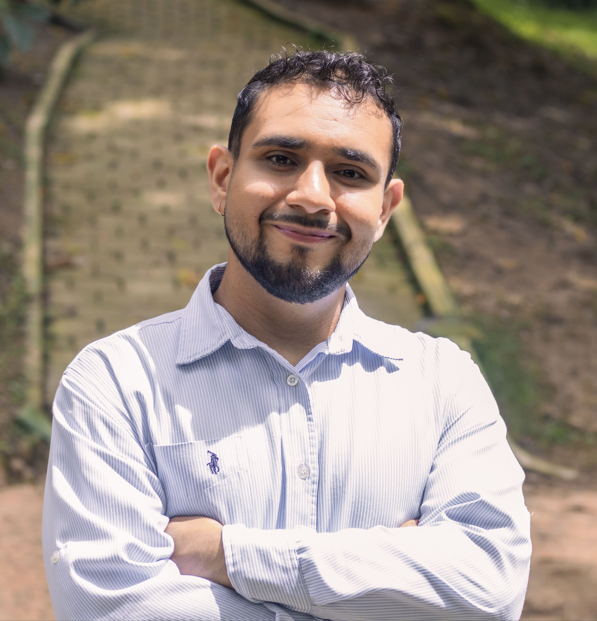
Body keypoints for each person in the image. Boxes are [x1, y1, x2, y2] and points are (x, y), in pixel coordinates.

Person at [43, 50, 531, 621]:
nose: (312, 197)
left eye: (350, 173)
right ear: (222, 179)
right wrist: (389, 592)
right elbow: (108, 608)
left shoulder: (444, 383)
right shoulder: (116, 382)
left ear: (385, 208)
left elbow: (490, 589)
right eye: (280, 159)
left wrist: (227, 555)